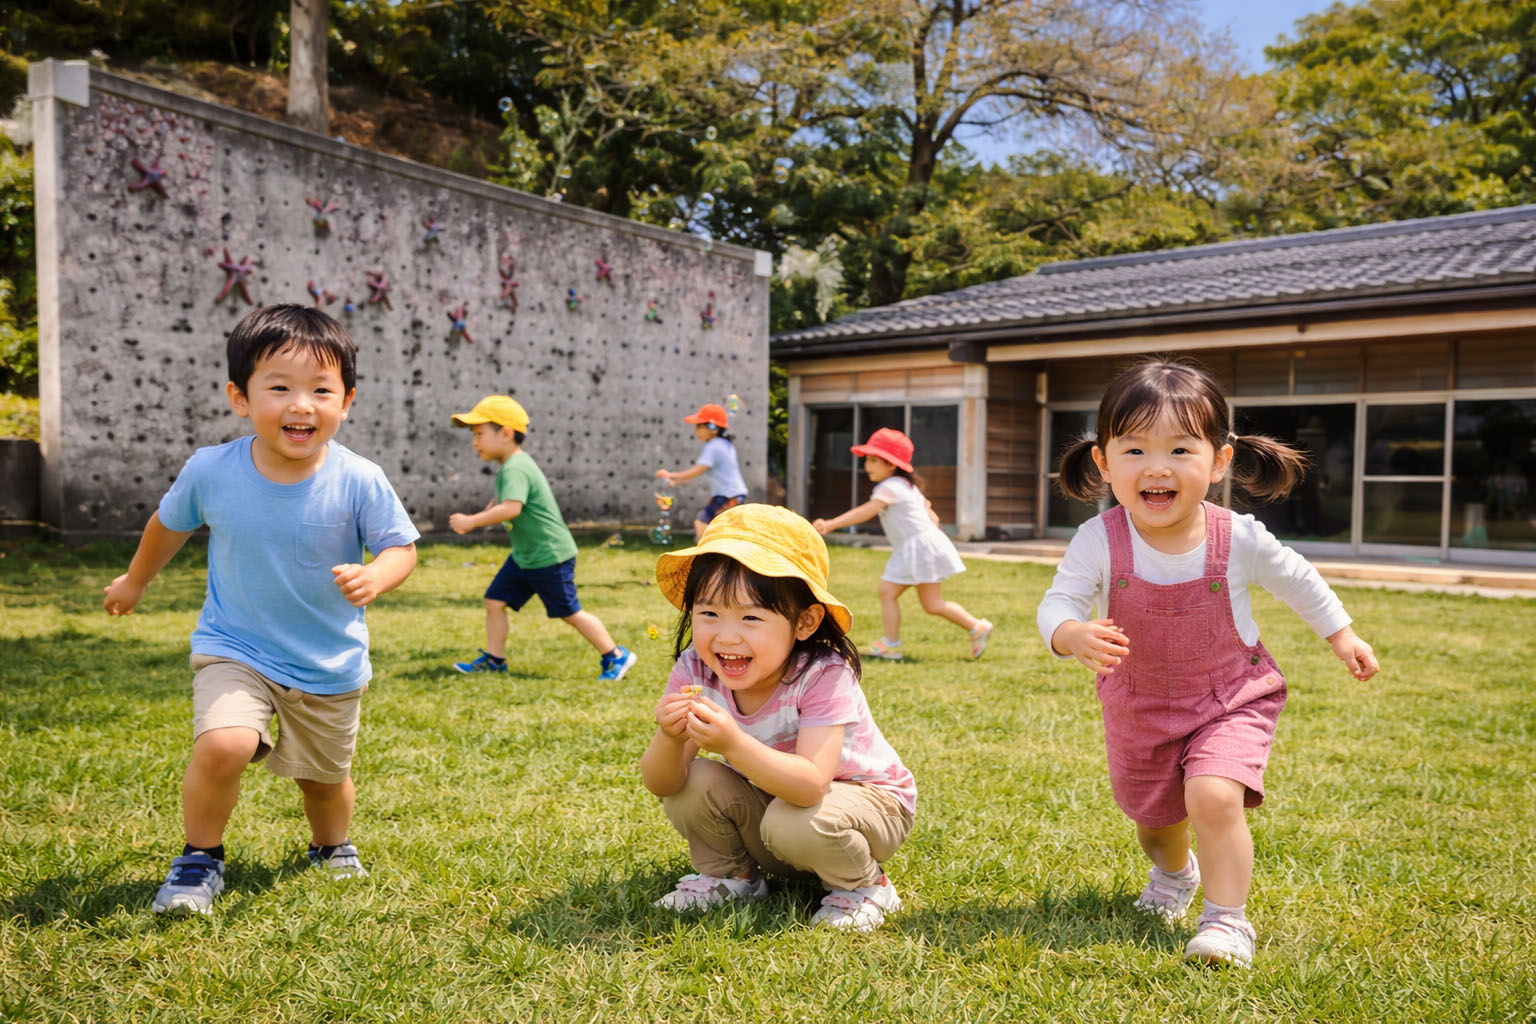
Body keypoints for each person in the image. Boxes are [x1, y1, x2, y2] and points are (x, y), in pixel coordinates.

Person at [1037, 358, 1380, 968]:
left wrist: (1342, 634)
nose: (1157, 467)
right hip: (1139, 706)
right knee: (1155, 824)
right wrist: (1069, 632)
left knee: (1214, 796)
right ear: (1104, 462)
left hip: (1230, 698)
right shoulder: (1098, 540)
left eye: (1180, 449)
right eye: (1135, 450)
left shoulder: (1237, 537)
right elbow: (1059, 601)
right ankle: (1175, 873)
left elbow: (1299, 579)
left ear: (1218, 460)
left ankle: (1226, 921)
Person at [102, 304, 420, 915]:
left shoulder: (360, 478)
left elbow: (400, 547)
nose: (302, 404)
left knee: (323, 781)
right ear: (240, 398)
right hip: (236, 646)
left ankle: (330, 846)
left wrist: (376, 576)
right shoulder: (212, 470)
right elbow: (167, 525)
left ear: (347, 402)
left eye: (321, 390)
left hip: (326, 661)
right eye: (279, 388)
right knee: (223, 744)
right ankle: (199, 859)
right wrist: (135, 581)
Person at [641, 503, 915, 932]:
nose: (726, 636)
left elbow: (811, 784)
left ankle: (865, 886)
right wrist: (670, 739)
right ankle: (732, 877)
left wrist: (733, 744)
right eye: (709, 613)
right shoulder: (696, 667)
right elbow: (662, 785)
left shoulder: (822, 673)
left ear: (804, 622)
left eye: (751, 617)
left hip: (863, 807)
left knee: (794, 819)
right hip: (781, 812)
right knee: (690, 781)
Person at [447, 395, 636, 682]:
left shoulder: (515, 467)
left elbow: (512, 507)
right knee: (494, 601)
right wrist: (488, 510)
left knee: (570, 612)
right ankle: (495, 660)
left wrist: (472, 521)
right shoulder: (514, 465)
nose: (475, 442)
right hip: (526, 556)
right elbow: (506, 501)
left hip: (548, 556)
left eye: (479, 434)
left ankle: (615, 655)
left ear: (506, 433)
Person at [813, 428, 993, 661]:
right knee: (932, 604)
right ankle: (976, 627)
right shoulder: (907, 487)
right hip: (926, 545)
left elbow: (867, 511)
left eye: (873, 460)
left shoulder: (889, 488)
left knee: (887, 591)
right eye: (867, 460)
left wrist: (831, 524)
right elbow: (933, 517)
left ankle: (891, 645)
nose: (867, 466)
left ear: (891, 464)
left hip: (917, 547)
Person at [656, 403, 748, 540]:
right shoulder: (724, 444)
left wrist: (671, 475)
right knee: (723, 531)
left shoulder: (714, 446)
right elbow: (698, 473)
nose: (697, 430)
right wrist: (676, 481)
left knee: (701, 523)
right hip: (733, 494)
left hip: (727, 496)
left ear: (713, 428)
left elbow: (697, 471)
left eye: (699, 426)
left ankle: (707, 552)